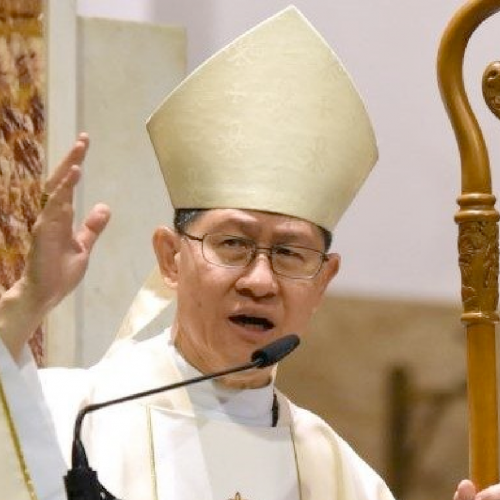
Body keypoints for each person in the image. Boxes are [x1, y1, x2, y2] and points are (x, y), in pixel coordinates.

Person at [0, 6, 492, 500]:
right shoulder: (70, 419)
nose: (260, 281)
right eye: (233, 244)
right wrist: (27, 302)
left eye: (290, 253)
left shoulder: (344, 479)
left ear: (323, 281)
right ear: (171, 258)